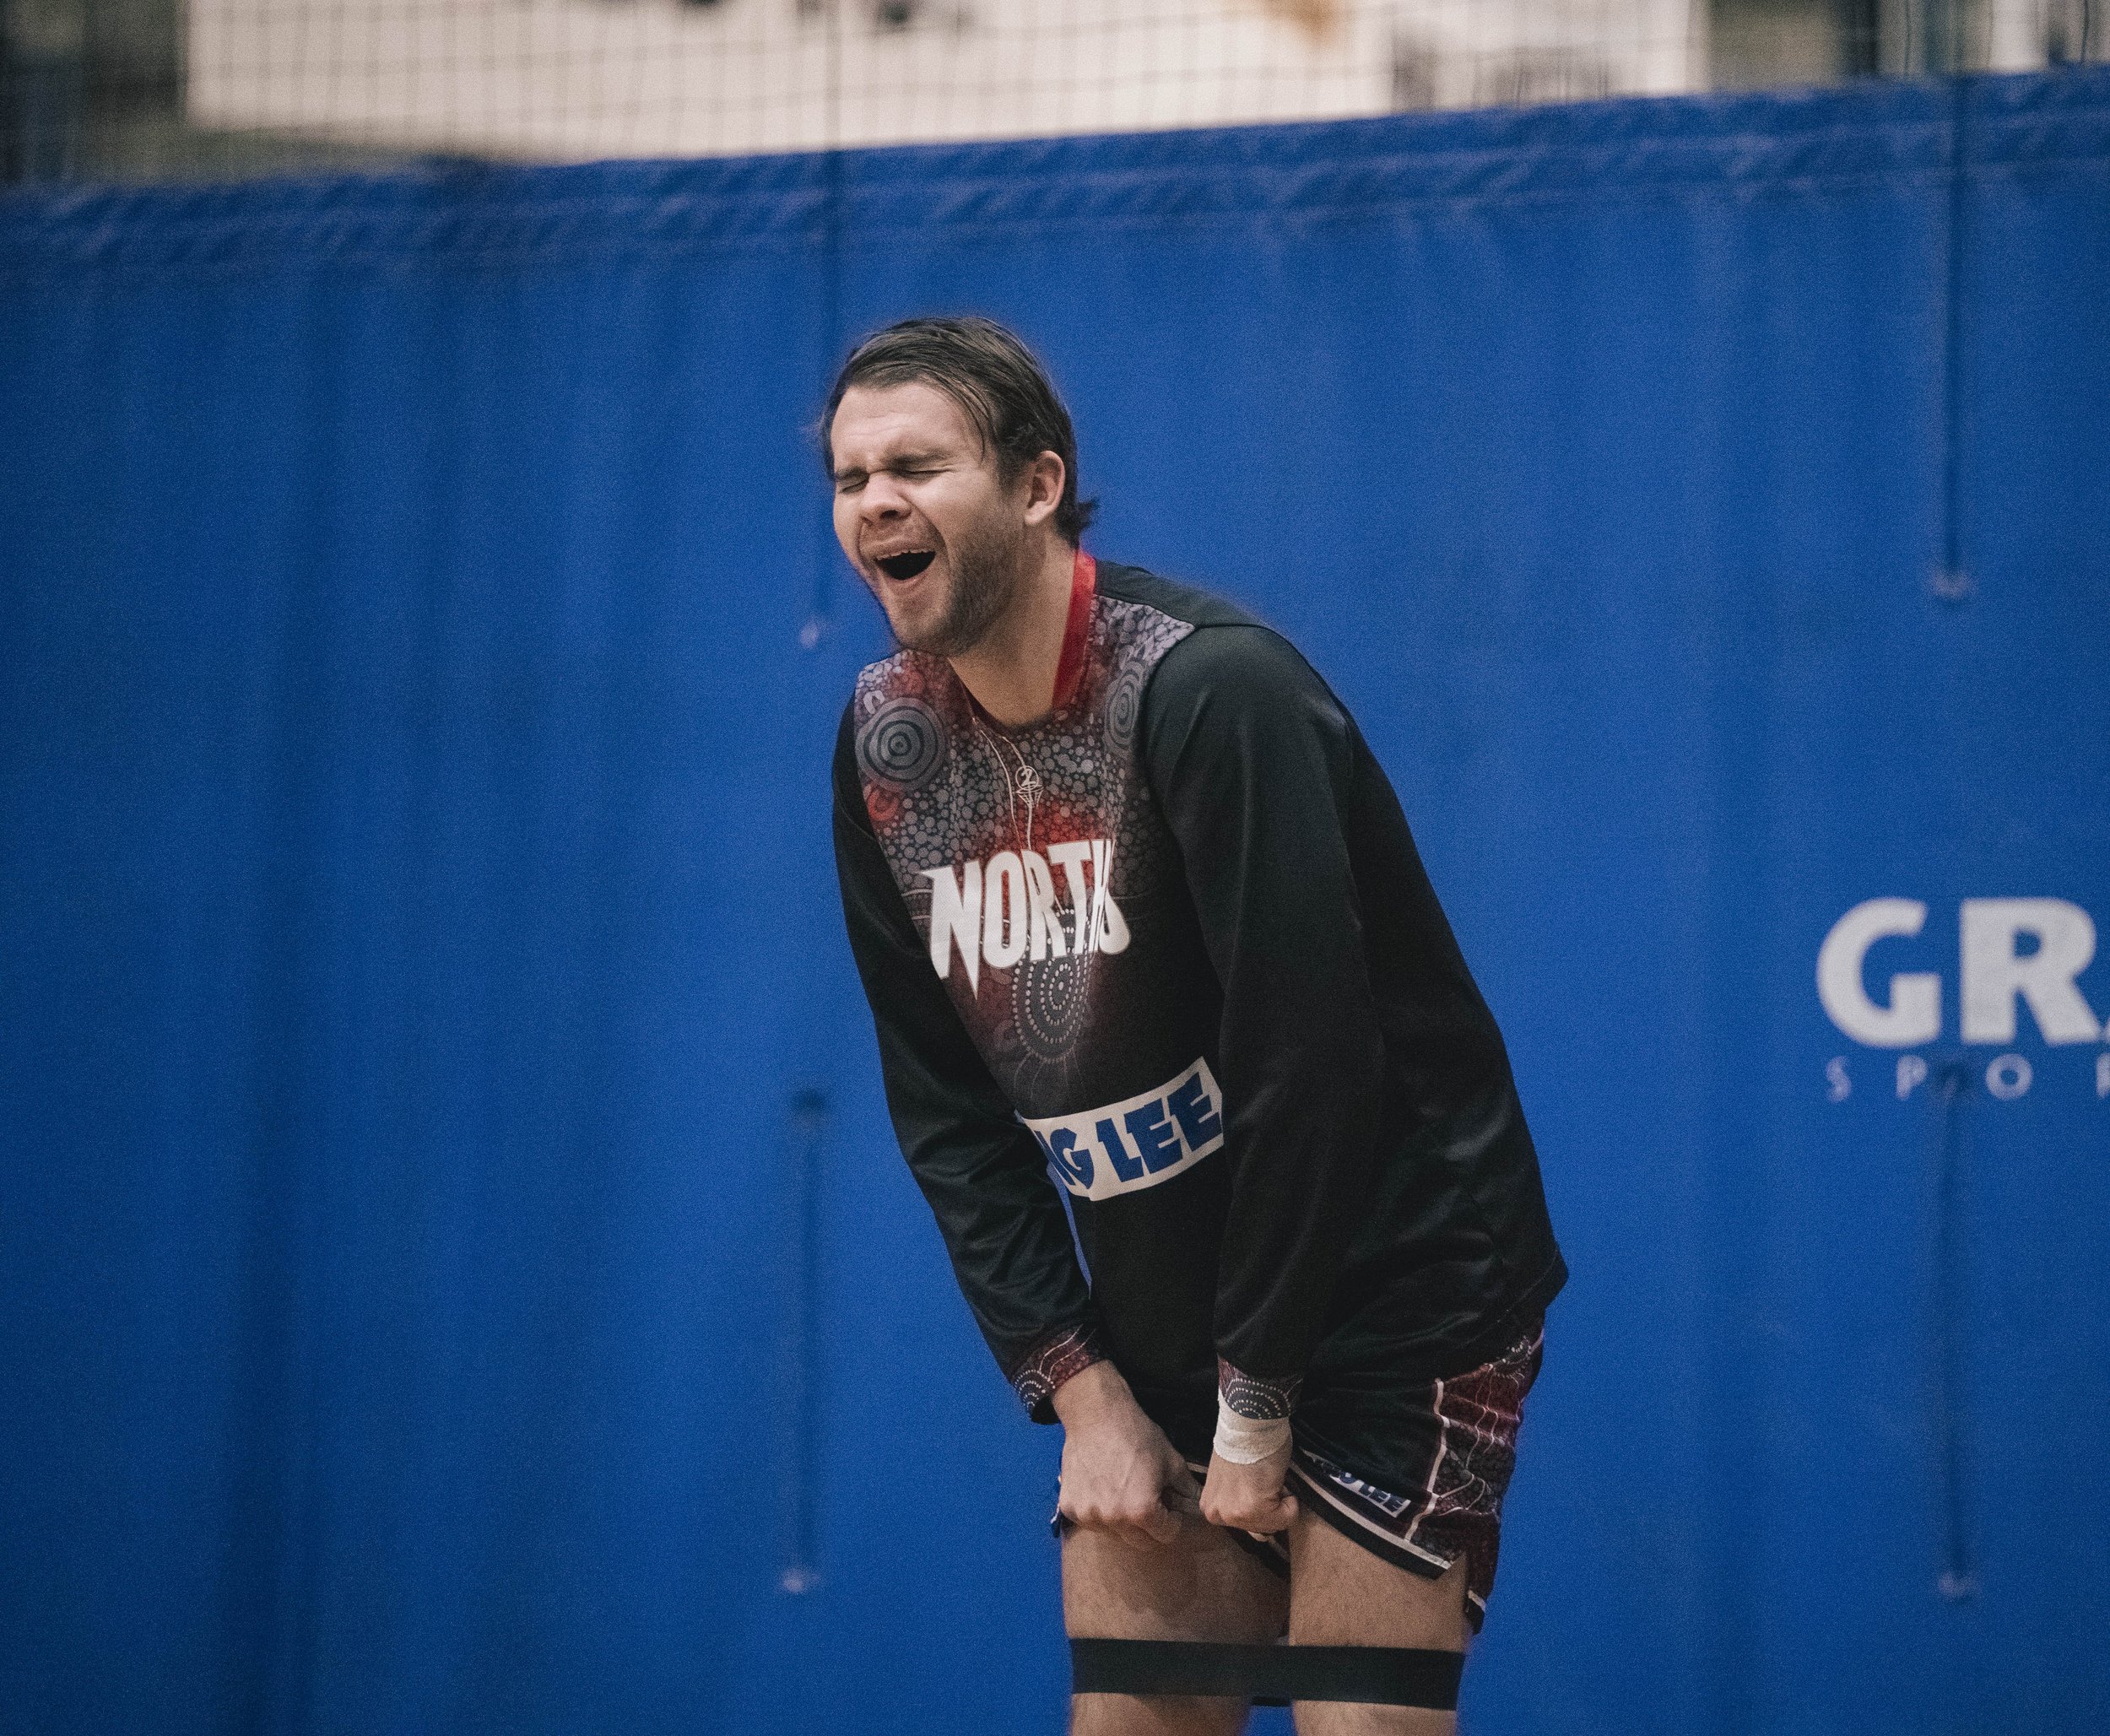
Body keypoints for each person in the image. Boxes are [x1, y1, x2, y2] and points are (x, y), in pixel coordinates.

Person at [826, 315, 1566, 1735]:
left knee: (1358, 1722)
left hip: (1397, 1291)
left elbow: (1312, 1070)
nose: (875, 505)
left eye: (916, 465)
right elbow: (948, 1113)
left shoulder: (1211, 688)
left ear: (1038, 484)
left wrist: (1256, 1408)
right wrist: (1085, 1390)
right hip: (1165, 1309)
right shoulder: (887, 747)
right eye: (851, 478)